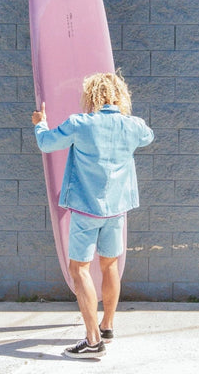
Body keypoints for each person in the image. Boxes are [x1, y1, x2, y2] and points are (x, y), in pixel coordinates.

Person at [32, 72, 154, 359]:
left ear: (91, 96)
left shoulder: (80, 124)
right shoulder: (131, 125)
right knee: (110, 265)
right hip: (117, 210)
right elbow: (148, 135)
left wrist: (41, 124)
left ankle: (92, 340)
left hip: (87, 209)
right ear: (119, 96)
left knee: (79, 270)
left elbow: (46, 143)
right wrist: (124, 120)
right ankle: (107, 327)